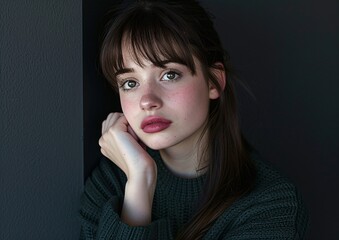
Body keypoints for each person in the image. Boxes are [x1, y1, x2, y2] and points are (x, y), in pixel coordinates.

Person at [79, 0, 309, 239]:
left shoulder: (271, 204)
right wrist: (139, 183)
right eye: (130, 83)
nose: (147, 100)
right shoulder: (112, 182)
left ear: (213, 82)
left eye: (169, 75)